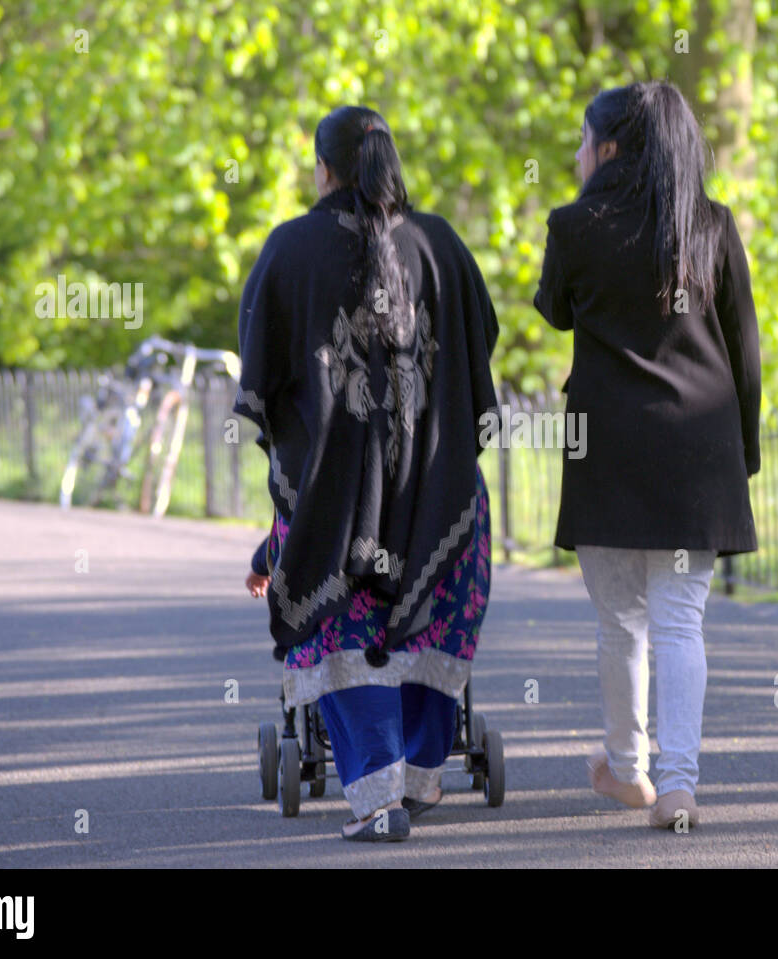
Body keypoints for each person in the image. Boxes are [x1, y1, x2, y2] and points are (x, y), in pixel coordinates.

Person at [237, 105, 499, 842]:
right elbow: (480, 344)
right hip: (438, 495)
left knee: (341, 620)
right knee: (435, 605)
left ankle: (379, 797)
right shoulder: (440, 244)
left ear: (323, 170)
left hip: (334, 507)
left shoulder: (289, 249)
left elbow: (264, 376)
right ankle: (419, 776)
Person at [534, 81, 762, 830]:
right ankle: (680, 785)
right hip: (699, 452)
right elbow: (744, 349)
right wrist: (744, 453)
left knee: (620, 625)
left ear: (609, 148)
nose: (576, 154)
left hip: (606, 451)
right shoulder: (712, 225)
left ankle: (628, 770)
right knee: (680, 623)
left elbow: (555, 310)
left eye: (582, 141)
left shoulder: (575, 226)